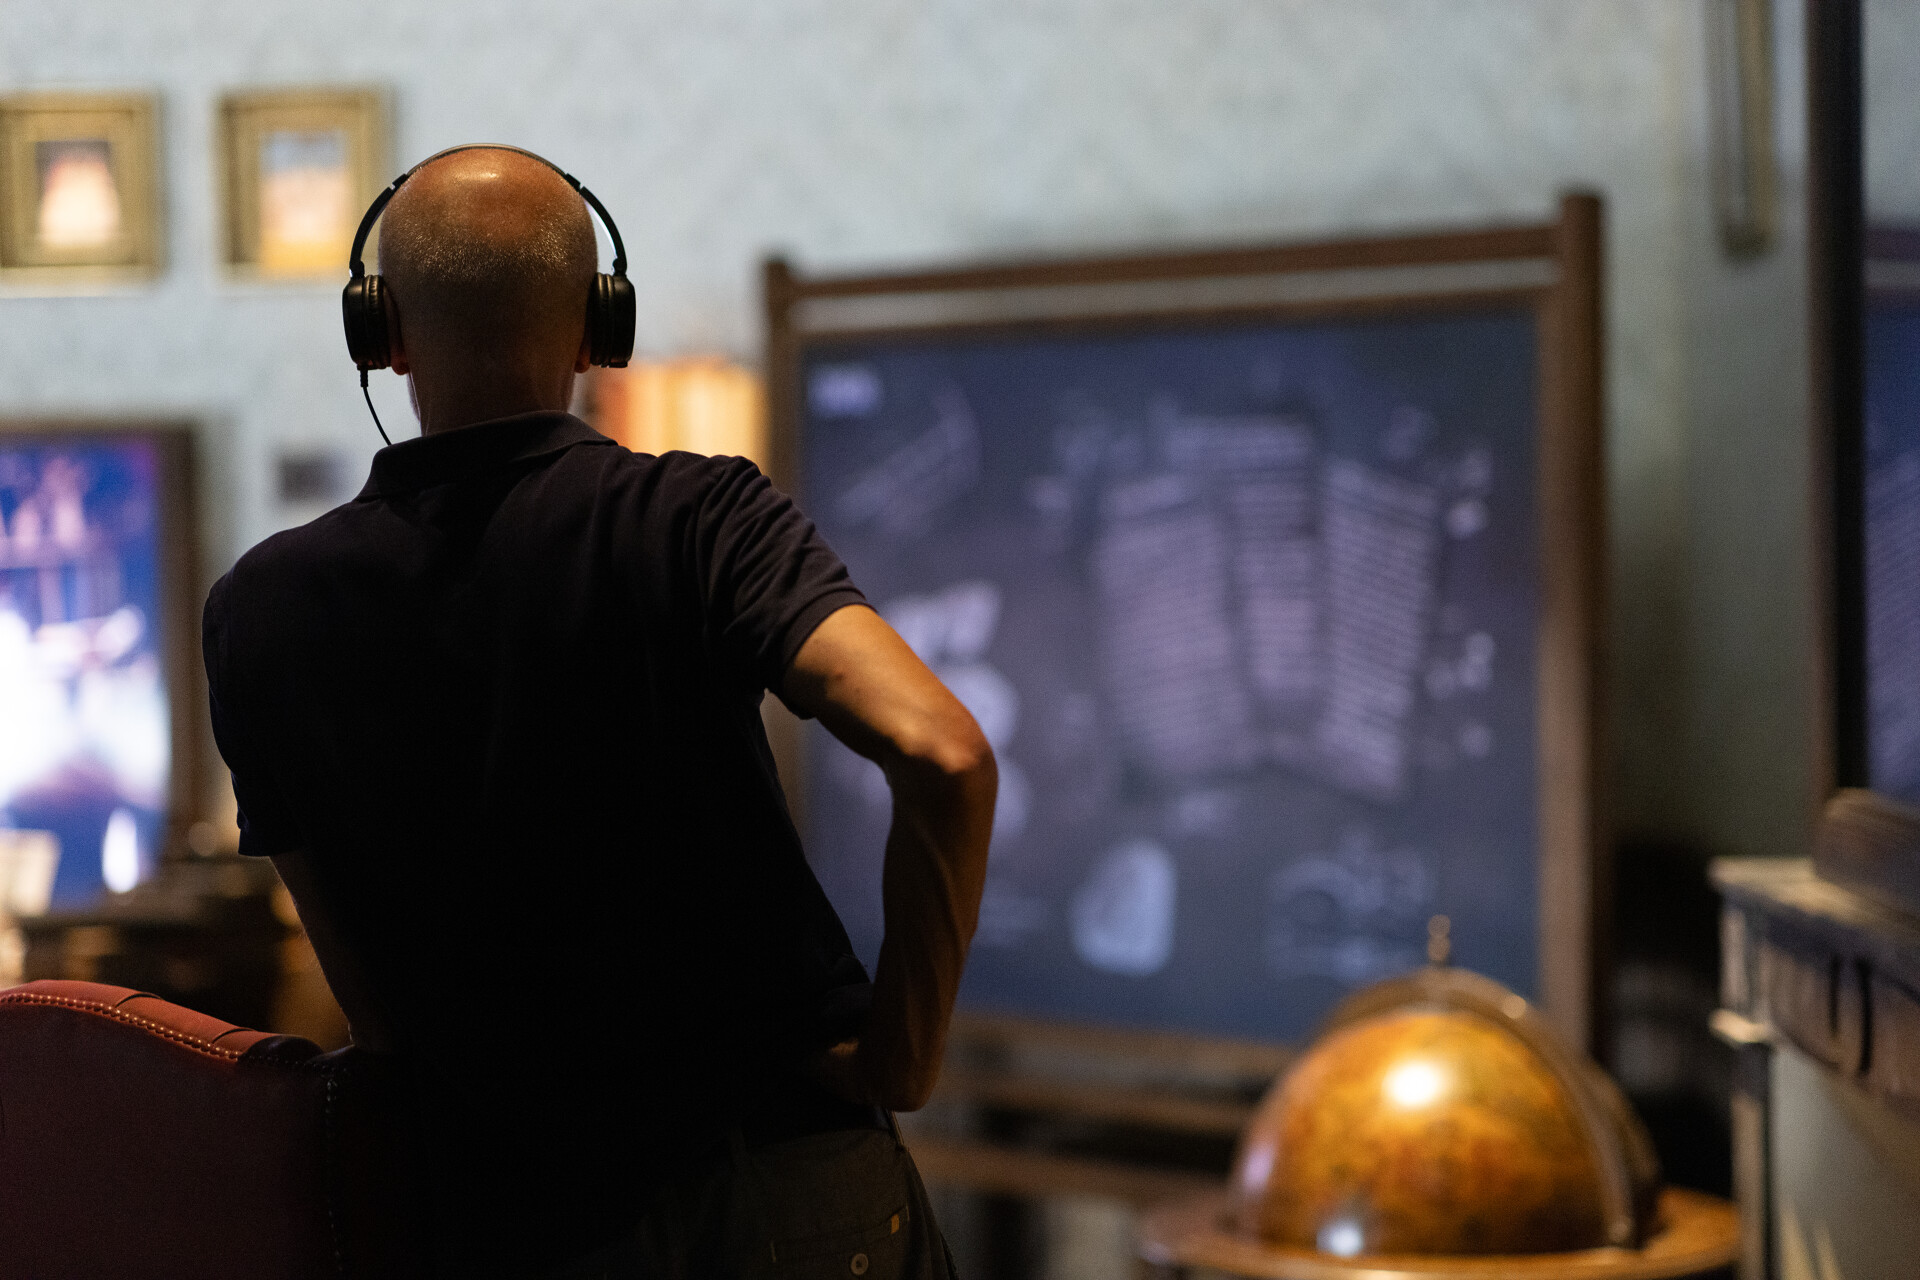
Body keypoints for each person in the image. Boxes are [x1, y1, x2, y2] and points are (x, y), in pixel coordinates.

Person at [201, 147, 996, 1277]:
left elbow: (373, 1019)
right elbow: (944, 751)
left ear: (380, 333)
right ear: (597, 329)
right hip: (779, 1187)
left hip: (490, 1217)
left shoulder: (258, 607)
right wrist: (900, 1058)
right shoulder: (702, 516)